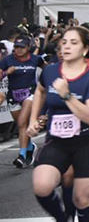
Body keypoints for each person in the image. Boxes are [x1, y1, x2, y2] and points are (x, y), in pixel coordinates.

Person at [28, 27, 89, 222]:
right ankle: (63, 219)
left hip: (86, 142)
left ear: (85, 49)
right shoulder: (51, 70)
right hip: (57, 140)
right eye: (64, 42)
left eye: (73, 42)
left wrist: (66, 95)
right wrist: (33, 119)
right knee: (42, 186)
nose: (67, 46)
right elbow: (40, 91)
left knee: (82, 199)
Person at [0, 35, 44, 168]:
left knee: (22, 122)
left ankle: (22, 156)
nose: (18, 50)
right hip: (14, 95)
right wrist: (7, 72)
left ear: (28, 48)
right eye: (16, 47)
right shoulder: (8, 60)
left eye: (22, 47)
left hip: (30, 93)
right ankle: (29, 146)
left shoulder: (36, 59)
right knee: (21, 126)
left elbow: (48, 69)